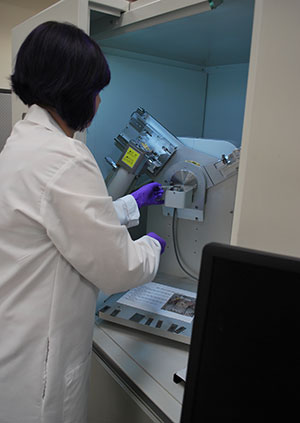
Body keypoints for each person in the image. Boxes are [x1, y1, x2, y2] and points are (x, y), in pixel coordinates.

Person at [0, 21, 166, 423]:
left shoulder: (21, 144)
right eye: (96, 92)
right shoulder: (65, 157)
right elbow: (120, 268)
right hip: (40, 370)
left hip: (15, 344)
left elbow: (60, 223)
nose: (98, 103)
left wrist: (129, 204)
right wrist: (154, 245)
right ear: (71, 91)